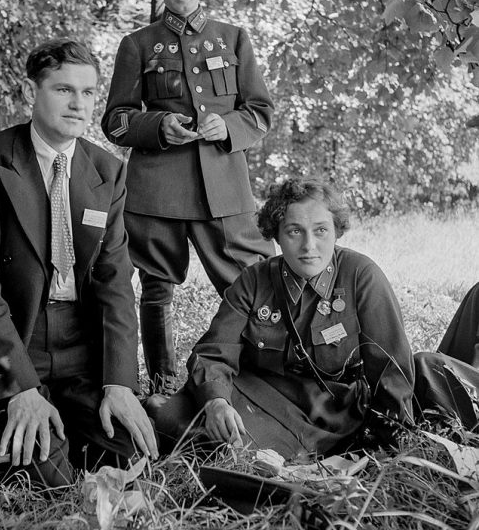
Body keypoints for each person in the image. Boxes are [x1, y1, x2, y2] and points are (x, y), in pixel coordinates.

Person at [0, 38, 158, 488]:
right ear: (30, 94)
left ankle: (77, 418)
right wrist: (21, 388)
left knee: (131, 459)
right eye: (63, 90)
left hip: (82, 353)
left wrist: (119, 383)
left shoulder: (107, 171)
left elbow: (115, 282)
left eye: (88, 92)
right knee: (46, 474)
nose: (79, 104)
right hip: (14, 344)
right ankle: (17, 421)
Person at [101, 0, 275, 395]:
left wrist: (230, 128)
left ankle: (257, 379)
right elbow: (114, 121)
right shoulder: (137, 44)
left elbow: (260, 113)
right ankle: (160, 387)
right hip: (156, 190)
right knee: (157, 290)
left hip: (224, 187)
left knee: (248, 283)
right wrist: (157, 126)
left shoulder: (233, 38)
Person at [151, 177, 416, 457]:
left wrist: (391, 440)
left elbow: (391, 367)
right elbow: (214, 353)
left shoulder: (361, 275)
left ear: (336, 232)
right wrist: (217, 402)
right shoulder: (254, 280)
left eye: (321, 231)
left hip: (333, 409)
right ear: (276, 235)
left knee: (234, 448)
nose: (308, 246)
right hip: (262, 394)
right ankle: (166, 410)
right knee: (176, 419)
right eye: (294, 232)